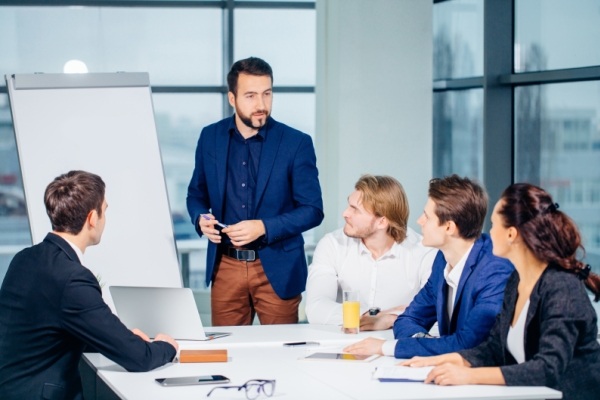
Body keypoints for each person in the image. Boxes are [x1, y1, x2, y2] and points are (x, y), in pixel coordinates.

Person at [401, 183, 600, 400]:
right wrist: (447, 359)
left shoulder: (562, 287)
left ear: (511, 234)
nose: (487, 232)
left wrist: (469, 376)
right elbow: (494, 347)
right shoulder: (516, 280)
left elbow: (547, 368)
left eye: (494, 225)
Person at [0, 170, 178, 400]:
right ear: (92, 218)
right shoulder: (73, 278)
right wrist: (166, 346)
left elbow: (49, 328)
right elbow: (139, 359)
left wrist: (121, 337)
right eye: (104, 210)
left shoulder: (25, 258)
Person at [186, 57, 323, 326]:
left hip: (277, 268)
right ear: (232, 98)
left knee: (282, 358)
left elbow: (313, 210)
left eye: (267, 94)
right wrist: (201, 219)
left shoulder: (296, 143)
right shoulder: (209, 137)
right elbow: (196, 195)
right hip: (225, 266)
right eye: (250, 95)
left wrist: (263, 227)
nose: (261, 105)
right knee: (226, 357)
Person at [345, 175, 514, 357]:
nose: (419, 221)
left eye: (427, 216)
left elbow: (468, 345)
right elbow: (408, 319)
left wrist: (386, 347)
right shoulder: (443, 259)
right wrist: (423, 341)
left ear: (449, 227)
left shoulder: (495, 269)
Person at [305, 175, 436, 328]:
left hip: (398, 345)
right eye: (349, 205)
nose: (345, 213)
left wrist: (391, 319)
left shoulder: (424, 252)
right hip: (344, 342)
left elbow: (433, 311)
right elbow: (316, 308)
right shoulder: (332, 244)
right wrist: (379, 316)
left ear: (382, 222)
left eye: (355, 210)